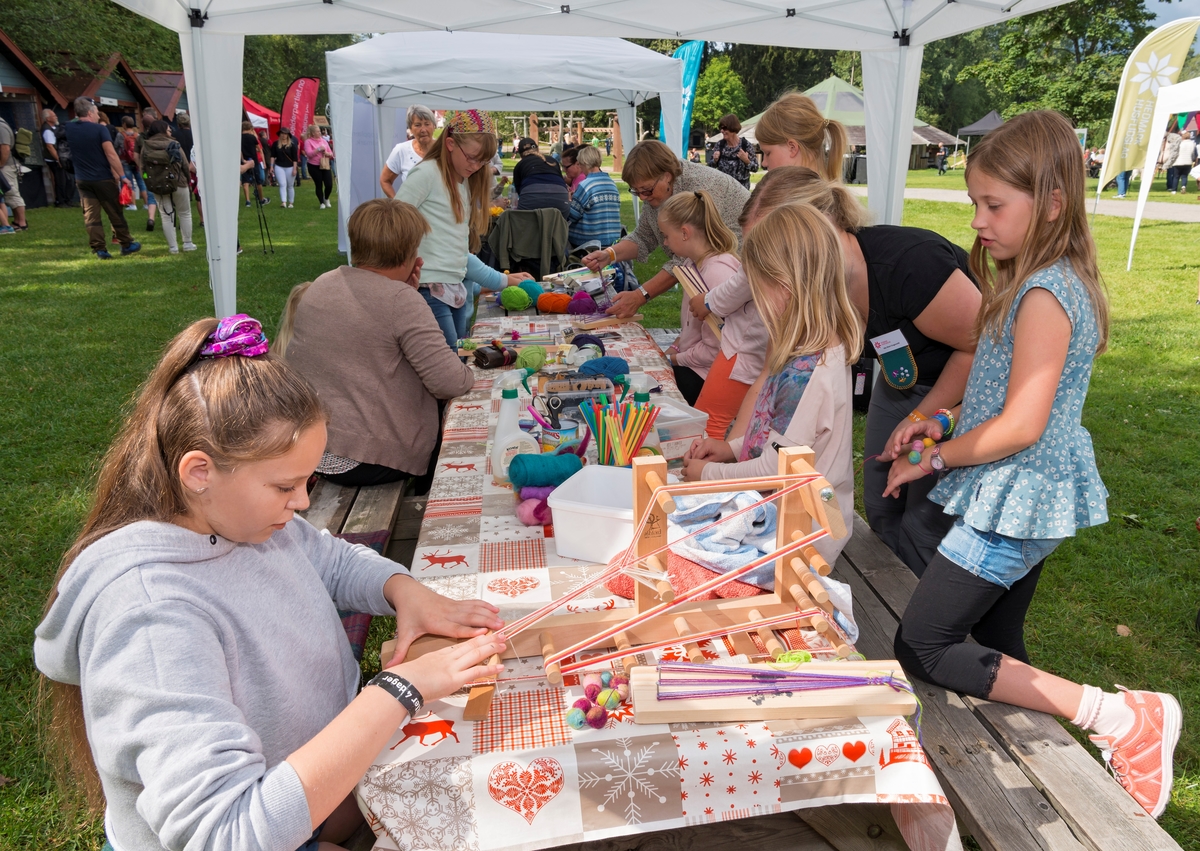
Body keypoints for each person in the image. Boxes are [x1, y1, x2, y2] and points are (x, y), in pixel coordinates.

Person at [33, 314, 506, 851]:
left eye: (308, 481)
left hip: (305, 799)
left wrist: (404, 590)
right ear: (199, 472)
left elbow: (331, 560)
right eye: (286, 485)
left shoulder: (246, 520)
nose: (303, 502)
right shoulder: (151, 621)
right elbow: (228, 834)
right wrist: (400, 690)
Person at [887, 110, 1179, 821]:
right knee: (995, 642)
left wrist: (932, 456)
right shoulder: (1027, 278)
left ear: (1051, 203)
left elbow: (1021, 425)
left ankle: (1122, 718)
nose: (980, 222)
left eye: (994, 205)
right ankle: (1063, 768)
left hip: (1017, 496)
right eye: (975, 205)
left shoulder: (1047, 292)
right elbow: (996, 395)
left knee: (921, 643)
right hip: (1017, 490)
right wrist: (941, 418)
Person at [753, 167, 979, 575]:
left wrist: (920, 417)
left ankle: (924, 616)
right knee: (879, 501)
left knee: (923, 518)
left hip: (961, 388)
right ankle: (891, 589)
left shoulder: (911, 264)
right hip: (901, 380)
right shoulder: (823, 285)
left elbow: (981, 347)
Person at [682, 202, 861, 570]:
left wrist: (709, 476)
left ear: (782, 287)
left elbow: (775, 470)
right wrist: (732, 448)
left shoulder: (808, 370)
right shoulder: (817, 346)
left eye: (754, 284)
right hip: (811, 514)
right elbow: (786, 438)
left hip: (803, 538)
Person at [280, 198, 476, 485]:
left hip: (313, 446)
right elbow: (449, 382)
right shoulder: (401, 301)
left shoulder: (322, 283)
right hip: (369, 456)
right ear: (409, 253)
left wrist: (402, 293)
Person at [585, 140, 748, 314]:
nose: (642, 197)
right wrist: (609, 255)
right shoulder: (657, 191)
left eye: (646, 190)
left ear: (667, 176)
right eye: (636, 191)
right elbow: (643, 237)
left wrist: (640, 295)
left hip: (740, 273)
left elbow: (683, 261)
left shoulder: (702, 187)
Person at [396, 109, 498, 349]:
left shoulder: (461, 181)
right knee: (448, 362)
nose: (476, 166)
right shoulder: (427, 173)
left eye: (483, 161)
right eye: (472, 157)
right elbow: (394, 220)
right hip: (428, 286)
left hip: (453, 287)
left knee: (458, 356)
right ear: (450, 143)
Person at [656, 190, 739, 412]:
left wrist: (675, 359)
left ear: (684, 233)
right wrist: (675, 347)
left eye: (665, 235)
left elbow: (718, 349)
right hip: (696, 365)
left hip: (708, 376)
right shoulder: (694, 265)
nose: (664, 242)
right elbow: (691, 329)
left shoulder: (715, 273)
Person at [62, 98, 140, 259]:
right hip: (103, 177)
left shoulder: (68, 128)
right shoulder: (99, 130)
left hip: (82, 179)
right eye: (96, 112)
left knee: (91, 215)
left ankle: (99, 249)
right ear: (90, 113)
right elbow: (111, 154)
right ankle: (126, 243)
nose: (98, 115)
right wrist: (122, 176)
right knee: (114, 211)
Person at [753, 91, 850, 182]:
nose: (764, 163)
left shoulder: (794, 199)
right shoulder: (826, 196)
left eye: (768, 153)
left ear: (792, 148)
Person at [141, 120, 195, 255]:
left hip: (158, 184)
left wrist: (148, 179)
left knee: (166, 215)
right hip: (178, 182)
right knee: (184, 213)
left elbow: (143, 168)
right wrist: (188, 181)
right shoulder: (174, 144)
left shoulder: (146, 146)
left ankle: (173, 247)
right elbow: (184, 165)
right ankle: (187, 243)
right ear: (164, 130)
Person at [566, 144, 622, 251]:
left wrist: (569, 200)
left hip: (589, 242)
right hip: (612, 240)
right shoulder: (612, 183)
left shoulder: (585, 185)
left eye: (580, 164)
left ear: (585, 163)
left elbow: (573, 215)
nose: (580, 167)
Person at [380, 104, 436, 197]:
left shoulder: (444, 149)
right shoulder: (402, 150)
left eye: (427, 124)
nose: (423, 129)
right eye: (418, 125)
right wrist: (400, 206)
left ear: (434, 126)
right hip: (411, 210)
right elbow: (385, 180)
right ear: (410, 128)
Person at [511, 137, 569, 216]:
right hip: (561, 197)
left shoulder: (520, 165)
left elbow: (519, 191)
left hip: (531, 196)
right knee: (558, 225)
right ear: (537, 149)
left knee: (523, 223)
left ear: (520, 154)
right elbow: (560, 180)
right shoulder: (552, 160)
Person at [708, 114, 758, 189]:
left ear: (733, 128)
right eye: (721, 128)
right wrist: (715, 161)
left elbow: (756, 168)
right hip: (723, 189)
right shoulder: (719, 145)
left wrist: (747, 161)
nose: (722, 131)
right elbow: (710, 166)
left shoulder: (746, 145)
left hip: (741, 190)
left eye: (724, 128)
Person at [0, 115, 28, 231]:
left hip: (6, 166)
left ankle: (21, 223)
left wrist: (1, 164)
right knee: (8, 195)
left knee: (11, 193)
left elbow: (5, 148)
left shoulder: (1, 127)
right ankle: (16, 221)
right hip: (6, 164)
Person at [42, 109, 73, 208]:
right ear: (48, 119)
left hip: (60, 157)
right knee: (61, 181)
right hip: (54, 160)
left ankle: (67, 200)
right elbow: (50, 147)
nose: (56, 117)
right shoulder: (47, 130)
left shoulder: (54, 128)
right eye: (54, 116)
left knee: (68, 180)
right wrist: (58, 159)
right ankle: (60, 201)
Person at [302, 123, 334, 208]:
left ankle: (326, 198)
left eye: (319, 131)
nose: (319, 132)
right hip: (314, 166)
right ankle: (321, 203)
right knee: (318, 184)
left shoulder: (324, 141)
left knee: (329, 184)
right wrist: (318, 149)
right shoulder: (308, 142)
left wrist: (326, 153)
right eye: (317, 131)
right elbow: (309, 154)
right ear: (313, 133)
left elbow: (331, 153)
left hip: (324, 164)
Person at [239, 121, 269, 208]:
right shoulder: (252, 137)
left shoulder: (239, 137)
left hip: (243, 161)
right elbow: (259, 149)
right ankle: (261, 198)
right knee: (258, 181)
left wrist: (243, 160)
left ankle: (247, 201)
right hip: (253, 161)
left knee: (245, 182)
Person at [271, 127, 299, 208]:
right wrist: (271, 166)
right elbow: (272, 156)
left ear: (288, 135)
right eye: (282, 133)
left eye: (285, 134)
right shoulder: (275, 144)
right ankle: (283, 201)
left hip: (290, 166)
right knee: (282, 184)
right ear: (279, 134)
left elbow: (295, 159)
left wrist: (294, 169)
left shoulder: (292, 145)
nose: (283, 135)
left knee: (290, 185)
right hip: (279, 166)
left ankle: (291, 202)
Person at [1171, 130, 1195, 194]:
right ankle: (1183, 186)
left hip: (1178, 161)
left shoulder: (1179, 143)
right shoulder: (1192, 143)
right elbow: (1193, 153)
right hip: (1188, 161)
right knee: (1184, 176)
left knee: (1176, 176)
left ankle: (1174, 190)